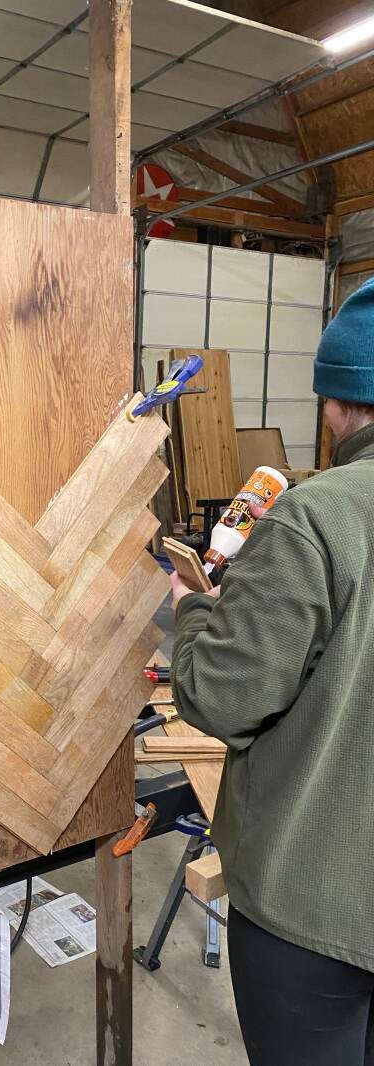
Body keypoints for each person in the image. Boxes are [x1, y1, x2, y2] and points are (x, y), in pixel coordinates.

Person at [170, 277, 374, 1066]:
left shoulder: (318, 516)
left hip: (315, 904)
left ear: (334, 405)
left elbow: (223, 698)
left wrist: (195, 607)